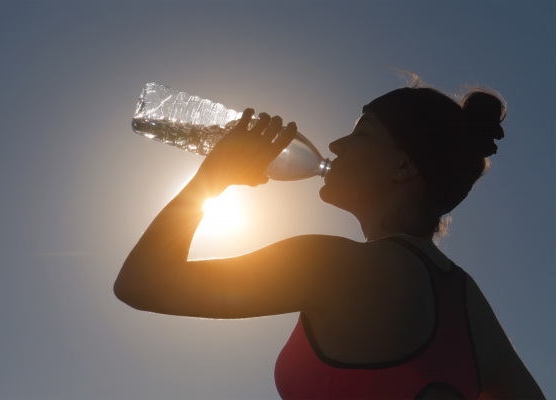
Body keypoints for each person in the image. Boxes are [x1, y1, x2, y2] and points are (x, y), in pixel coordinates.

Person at [114, 80, 545, 399]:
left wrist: (213, 178)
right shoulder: (475, 312)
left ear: (402, 166)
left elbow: (140, 283)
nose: (336, 143)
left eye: (362, 133)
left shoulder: (334, 265)